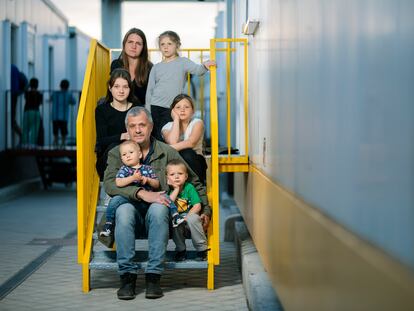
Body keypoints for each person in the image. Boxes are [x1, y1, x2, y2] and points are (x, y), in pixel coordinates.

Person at [103, 106, 210, 300]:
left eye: (142, 125)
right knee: (123, 211)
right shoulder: (117, 153)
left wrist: (207, 210)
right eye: (132, 126)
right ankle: (127, 278)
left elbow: (194, 181)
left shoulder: (167, 152)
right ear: (127, 129)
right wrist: (142, 193)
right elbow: (110, 184)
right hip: (131, 210)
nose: (137, 130)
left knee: (160, 207)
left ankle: (153, 277)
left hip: (159, 216)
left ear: (151, 127)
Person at [145, 30, 216, 141]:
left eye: (169, 44)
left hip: (172, 108)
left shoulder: (183, 62)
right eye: (162, 44)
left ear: (177, 45)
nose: (166, 47)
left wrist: (205, 65)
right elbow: (150, 90)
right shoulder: (156, 67)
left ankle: (169, 157)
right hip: (155, 106)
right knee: (155, 136)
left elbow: (198, 70)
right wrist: (148, 111)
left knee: (168, 136)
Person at [95, 68, 139, 180]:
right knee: (114, 148)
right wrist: (122, 136)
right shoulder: (101, 110)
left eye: (125, 87)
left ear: (130, 89)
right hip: (109, 158)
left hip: (134, 157)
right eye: (116, 86)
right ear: (110, 88)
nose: (121, 91)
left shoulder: (136, 108)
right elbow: (101, 140)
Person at [166, 159, 208, 262]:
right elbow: (169, 204)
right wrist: (175, 189)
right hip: (177, 218)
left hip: (190, 216)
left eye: (180, 173)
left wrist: (187, 217)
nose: (176, 176)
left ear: (186, 176)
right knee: (176, 222)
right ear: (167, 178)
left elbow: (197, 206)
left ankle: (202, 249)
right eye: (172, 174)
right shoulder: (168, 189)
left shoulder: (189, 187)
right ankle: (181, 250)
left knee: (193, 219)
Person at [162, 94, 207, 184]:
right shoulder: (167, 126)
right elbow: (172, 141)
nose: (182, 110)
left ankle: (196, 186)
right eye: (178, 107)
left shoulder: (197, 123)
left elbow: (191, 143)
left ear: (193, 111)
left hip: (195, 161)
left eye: (186, 107)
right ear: (172, 111)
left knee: (187, 152)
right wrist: (176, 120)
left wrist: (167, 149)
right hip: (174, 162)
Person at [111, 28, 152, 107]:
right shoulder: (116, 64)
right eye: (130, 42)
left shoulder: (150, 68)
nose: (134, 46)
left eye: (138, 43)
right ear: (124, 44)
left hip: (140, 111)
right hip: (120, 107)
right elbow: (114, 92)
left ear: (143, 47)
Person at [51, 79, 76, 147]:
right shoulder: (68, 94)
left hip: (55, 116)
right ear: (68, 86)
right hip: (64, 116)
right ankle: (63, 144)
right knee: (64, 132)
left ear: (60, 85)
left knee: (55, 132)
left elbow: (51, 98)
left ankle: (55, 144)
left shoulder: (55, 93)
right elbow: (74, 102)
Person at [22, 78, 43, 148]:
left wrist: (28, 85)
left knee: (25, 129)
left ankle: (24, 144)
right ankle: (33, 144)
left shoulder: (27, 93)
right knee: (35, 129)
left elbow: (24, 89)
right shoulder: (39, 94)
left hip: (27, 111)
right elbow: (40, 103)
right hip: (36, 112)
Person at [10, 64, 28, 144]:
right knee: (12, 120)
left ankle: (22, 136)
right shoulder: (15, 68)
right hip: (14, 95)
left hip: (12, 95)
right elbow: (26, 84)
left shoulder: (10, 68)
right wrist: (19, 92)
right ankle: (22, 136)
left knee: (11, 120)